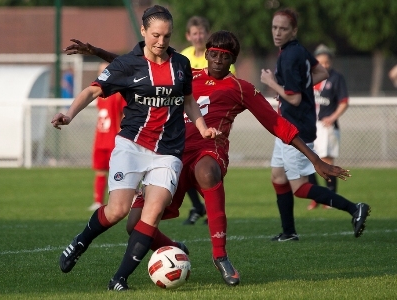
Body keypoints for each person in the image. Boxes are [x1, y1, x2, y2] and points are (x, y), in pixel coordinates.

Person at [64, 30, 352, 287]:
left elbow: (276, 124)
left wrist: (315, 160)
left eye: (224, 56)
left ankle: (221, 256)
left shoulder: (241, 88)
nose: (216, 59)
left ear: (232, 59)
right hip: (170, 153)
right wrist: (97, 52)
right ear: (206, 54)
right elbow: (141, 70)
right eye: (212, 53)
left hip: (209, 150)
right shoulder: (188, 73)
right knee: (133, 223)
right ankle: (176, 248)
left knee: (206, 171)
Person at [52, 5, 220, 292]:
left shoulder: (179, 64)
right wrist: (69, 114)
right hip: (131, 146)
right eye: (155, 35)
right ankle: (80, 241)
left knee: (151, 213)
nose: (161, 41)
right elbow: (93, 89)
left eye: (166, 36)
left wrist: (202, 127)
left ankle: (119, 279)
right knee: (117, 211)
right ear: (143, 32)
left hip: (168, 152)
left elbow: (189, 99)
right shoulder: (127, 65)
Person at [260, 7, 370, 242]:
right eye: (274, 27)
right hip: (287, 125)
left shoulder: (290, 56)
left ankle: (354, 208)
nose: (277, 33)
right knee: (278, 177)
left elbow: (295, 98)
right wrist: (295, 89)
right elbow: (320, 72)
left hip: (294, 128)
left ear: (294, 30)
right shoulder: (296, 49)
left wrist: (272, 83)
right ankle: (288, 232)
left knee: (299, 187)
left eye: (283, 29)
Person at [180, 16, 236, 225]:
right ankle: (199, 206)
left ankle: (212, 207)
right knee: (180, 166)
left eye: (201, 32)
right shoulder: (183, 56)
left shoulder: (217, 57)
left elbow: (229, 86)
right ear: (188, 36)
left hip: (213, 122)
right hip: (187, 118)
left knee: (208, 166)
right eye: (194, 33)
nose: (198, 36)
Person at [307, 44, 349, 210]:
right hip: (310, 124)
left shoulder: (336, 78)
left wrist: (332, 117)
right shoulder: (310, 77)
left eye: (327, 62)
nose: (324, 65)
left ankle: (331, 199)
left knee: (326, 161)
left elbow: (344, 102)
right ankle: (317, 197)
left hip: (327, 127)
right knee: (308, 161)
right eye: (321, 62)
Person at [88, 62, 127, 211]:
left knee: (119, 172)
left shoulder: (118, 93)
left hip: (114, 139)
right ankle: (98, 202)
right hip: (100, 138)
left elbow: (124, 114)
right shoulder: (98, 92)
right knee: (100, 170)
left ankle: (124, 199)